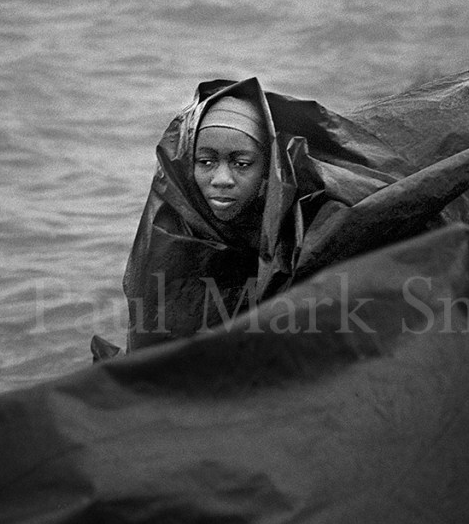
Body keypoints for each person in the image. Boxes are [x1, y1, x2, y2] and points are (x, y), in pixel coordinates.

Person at [91, 77, 404, 357]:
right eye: (206, 162)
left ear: (268, 168)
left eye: (241, 164)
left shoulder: (306, 223)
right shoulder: (170, 238)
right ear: (189, 164)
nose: (222, 179)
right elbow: (157, 347)